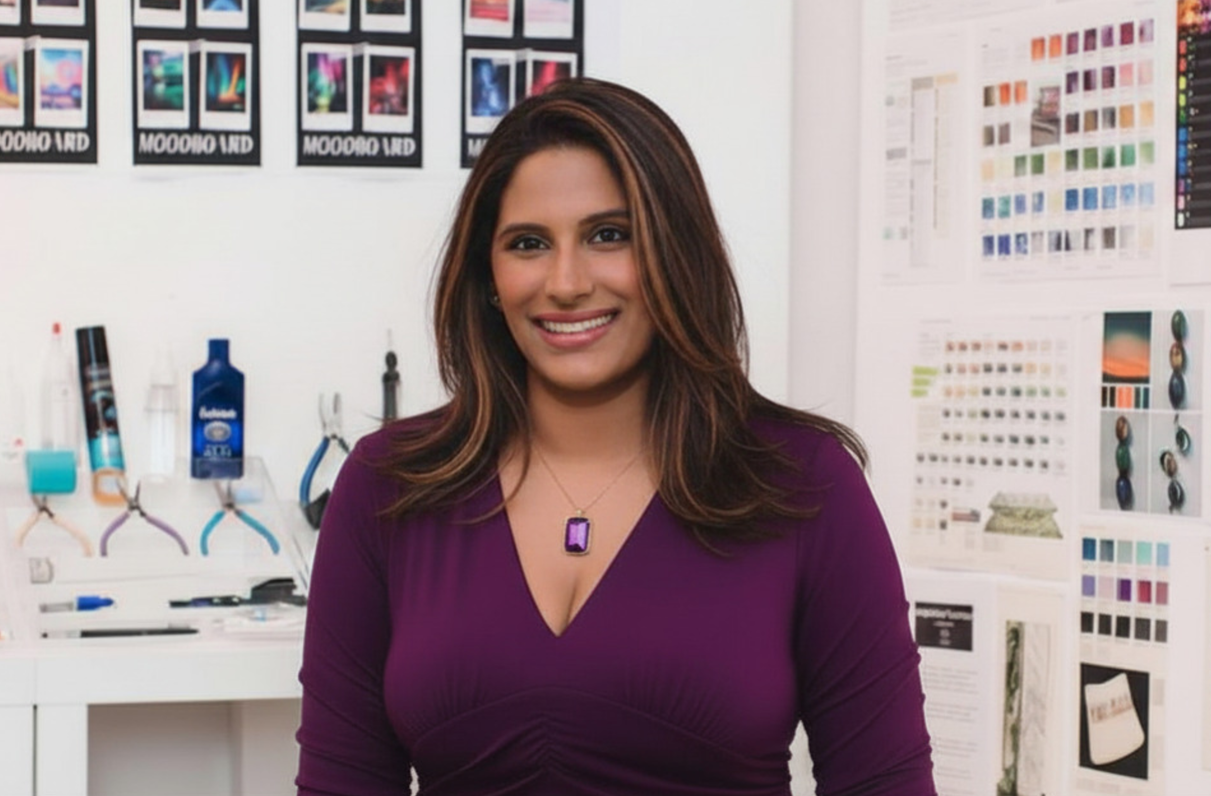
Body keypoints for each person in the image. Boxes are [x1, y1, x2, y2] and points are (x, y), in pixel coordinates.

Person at [296, 78, 936, 795]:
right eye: (529, 243)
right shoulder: (388, 485)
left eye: (609, 235)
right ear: (488, 277)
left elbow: (885, 784)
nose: (567, 282)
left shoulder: (804, 482)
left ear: (675, 251)